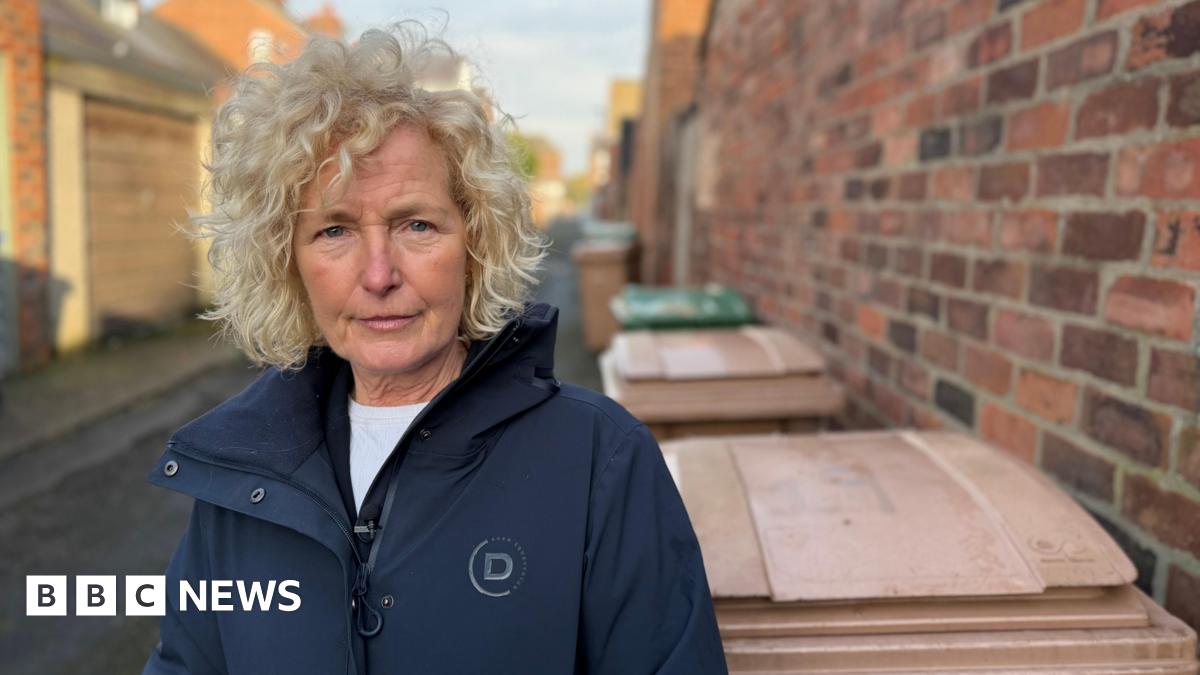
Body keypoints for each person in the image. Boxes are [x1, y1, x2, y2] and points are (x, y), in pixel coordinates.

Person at [141, 24, 728, 675]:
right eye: (334, 230)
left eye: (415, 224)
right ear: (288, 262)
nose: (378, 274)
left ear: (475, 242)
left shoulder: (600, 462)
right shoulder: (241, 475)